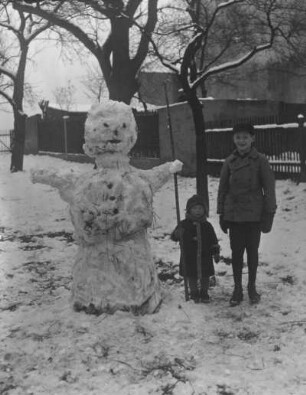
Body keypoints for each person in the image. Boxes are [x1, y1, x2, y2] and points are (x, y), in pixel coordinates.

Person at [217, 123, 277, 306]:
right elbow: (222, 189)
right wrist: (222, 213)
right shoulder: (229, 161)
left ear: (252, 139)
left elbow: (269, 188)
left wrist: (269, 212)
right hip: (235, 216)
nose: (241, 141)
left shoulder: (261, 160)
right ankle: (237, 289)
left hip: (254, 215)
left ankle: (251, 287)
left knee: (252, 252)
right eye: (238, 137)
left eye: (245, 137)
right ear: (233, 139)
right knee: (236, 253)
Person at [171, 194, 220, 303]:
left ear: (204, 210)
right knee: (191, 275)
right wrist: (177, 234)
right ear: (189, 210)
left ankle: (204, 292)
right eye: (194, 208)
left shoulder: (207, 225)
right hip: (189, 256)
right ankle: (193, 292)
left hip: (205, 255)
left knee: (205, 275)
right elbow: (174, 237)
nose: (197, 211)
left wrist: (215, 252)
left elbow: (213, 240)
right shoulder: (183, 224)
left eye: (200, 208)